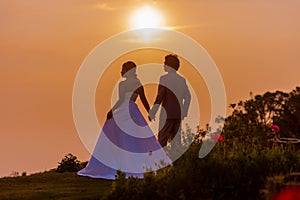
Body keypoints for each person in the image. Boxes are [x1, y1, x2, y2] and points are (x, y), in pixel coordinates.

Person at [77, 61, 171, 179]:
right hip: (134, 111)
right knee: (134, 140)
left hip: (124, 111)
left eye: (123, 69)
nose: (121, 71)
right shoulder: (138, 83)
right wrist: (150, 112)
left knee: (118, 136)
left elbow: (121, 100)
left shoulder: (122, 84)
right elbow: (144, 100)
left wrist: (112, 110)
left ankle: (115, 161)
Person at [149, 54, 191, 156]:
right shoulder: (182, 80)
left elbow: (160, 97)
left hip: (166, 114)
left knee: (162, 140)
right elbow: (188, 97)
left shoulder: (164, 79)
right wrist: (184, 111)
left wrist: (153, 111)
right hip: (178, 114)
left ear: (169, 65)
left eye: (165, 63)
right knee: (176, 141)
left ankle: (160, 161)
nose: (163, 65)